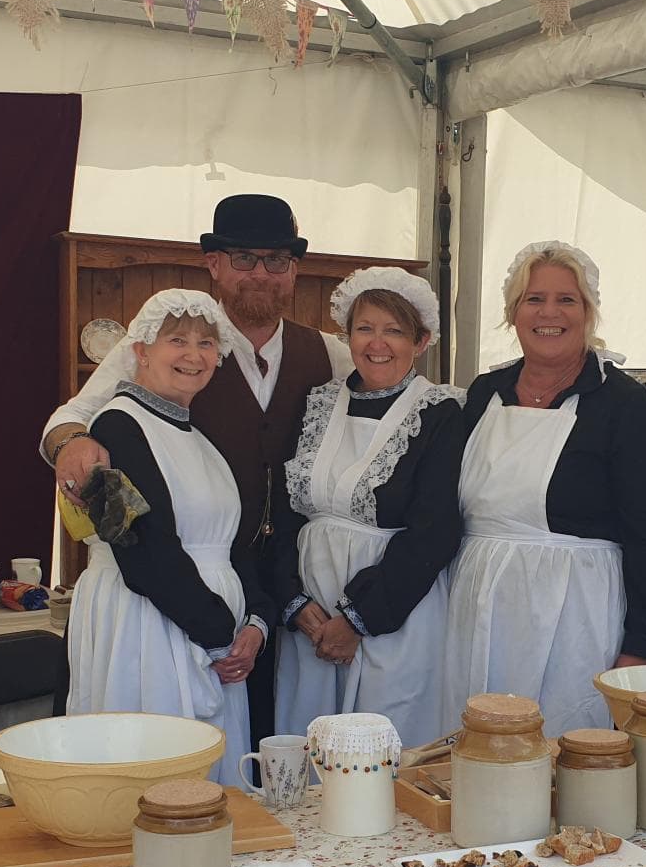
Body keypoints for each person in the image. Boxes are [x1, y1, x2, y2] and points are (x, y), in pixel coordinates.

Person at [42, 195, 348, 747]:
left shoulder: (329, 353)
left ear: (295, 271)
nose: (261, 273)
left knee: (264, 740)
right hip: (167, 600)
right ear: (214, 265)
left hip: (275, 585)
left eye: (277, 260)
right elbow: (74, 418)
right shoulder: (155, 343)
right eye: (244, 258)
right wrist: (72, 443)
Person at [440, 240, 646, 736]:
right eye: (533, 299)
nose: (548, 313)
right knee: (479, 746)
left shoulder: (628, 408)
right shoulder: (484, 394)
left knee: (566, 749)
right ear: (513, 313)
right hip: (480, 608)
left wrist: (643, 647)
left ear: (589, 312)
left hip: (576, 617)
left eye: (566, 300)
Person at [58, 289, 277, 772]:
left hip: (212, 634)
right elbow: (142, 550)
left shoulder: (197, 435)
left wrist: (256, 624)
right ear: (140, 351)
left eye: (205, 344)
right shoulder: (116, 427)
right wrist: (221, 635)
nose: (194, 355)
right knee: (156, 773)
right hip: (150, 625)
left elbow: (231, 542)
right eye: (176, 339)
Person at [271, 268, 467, 745]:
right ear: (348, 335)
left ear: (421, 342)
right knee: (311, 742)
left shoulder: (441, 412)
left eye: (394, 331)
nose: (377, 344)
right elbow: (285, 514)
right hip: (310, 617)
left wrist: (359, 619)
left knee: (383, 751)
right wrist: (294, 601)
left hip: (394, 613)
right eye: (365, 328)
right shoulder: (318, 404)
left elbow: (435, 531)